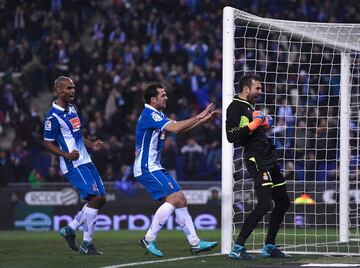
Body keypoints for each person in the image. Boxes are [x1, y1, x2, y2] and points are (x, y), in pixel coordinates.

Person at [134, 82, 219, 257]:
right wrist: (199, 115)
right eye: (163, 95)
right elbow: (177, 127)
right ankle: (149, 238)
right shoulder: (149, 114)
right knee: (173, 197)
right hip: (146, 167)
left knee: (180, 199)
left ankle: (195, 243)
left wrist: (202, 120)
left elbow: (179, 129)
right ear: (153, 99)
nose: (166, 97)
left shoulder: (157, 114)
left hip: (153, 166)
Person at [225, 74, 291, 260]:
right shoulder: (235, 107)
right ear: (246, 89)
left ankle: (269, 246)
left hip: (269, 157)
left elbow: (251, 130)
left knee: (283, 201)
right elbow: (231, 136)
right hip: (257, 159)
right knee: (264, 204)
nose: (260, 91)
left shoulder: (249, 106)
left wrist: (263, 125)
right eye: (258, 88)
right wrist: (254, 125)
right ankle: (237, 248)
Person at [43, 76, 106, 255]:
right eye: (69, 88)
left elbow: (76, 136)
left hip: (85, 159)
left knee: (102, 199)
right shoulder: (52, 116)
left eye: (73, 88)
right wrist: (66, 155)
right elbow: (47, 143)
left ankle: (69, 229)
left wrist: (91, 144)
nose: (73, 91)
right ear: (59, 91)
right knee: (94, 199)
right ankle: (87, 244)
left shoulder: (72, 109)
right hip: (73, 164)